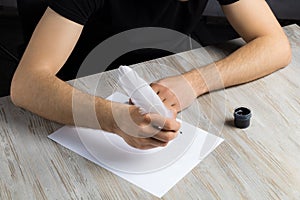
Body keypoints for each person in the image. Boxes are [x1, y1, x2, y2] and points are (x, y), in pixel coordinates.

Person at [10, 0, 291, 149]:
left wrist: (194, 82)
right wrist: (114, 119)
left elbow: (275, 44)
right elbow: (26, 84)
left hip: (157, 71)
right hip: (77, 95)